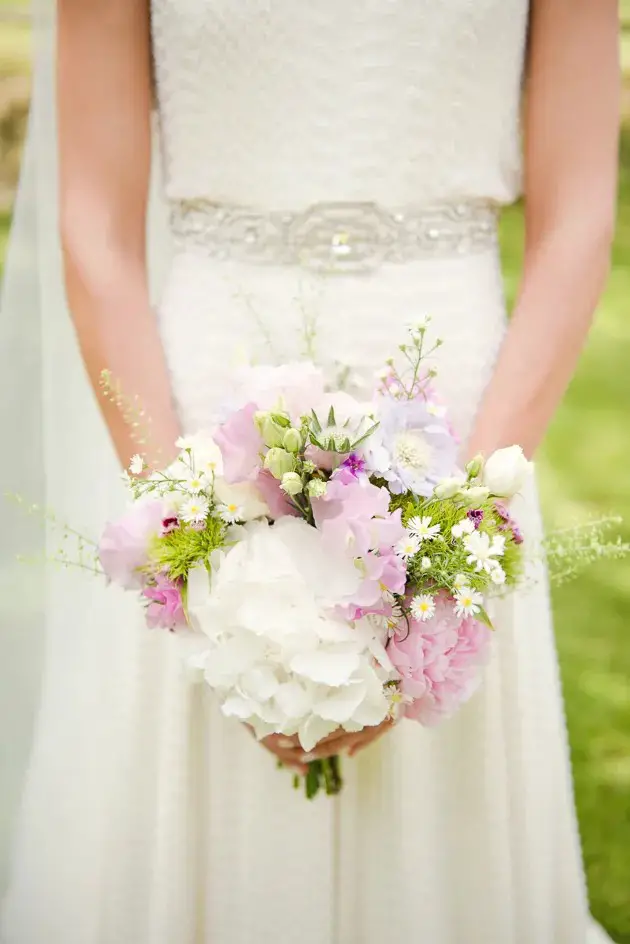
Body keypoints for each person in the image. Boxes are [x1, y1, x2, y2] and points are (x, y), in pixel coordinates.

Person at [0, 1, 620, 942]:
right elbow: (93, 225)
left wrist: (460, 552)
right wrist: (184, 540)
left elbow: (578, 221)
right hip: (199, 403)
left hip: (460, 409)